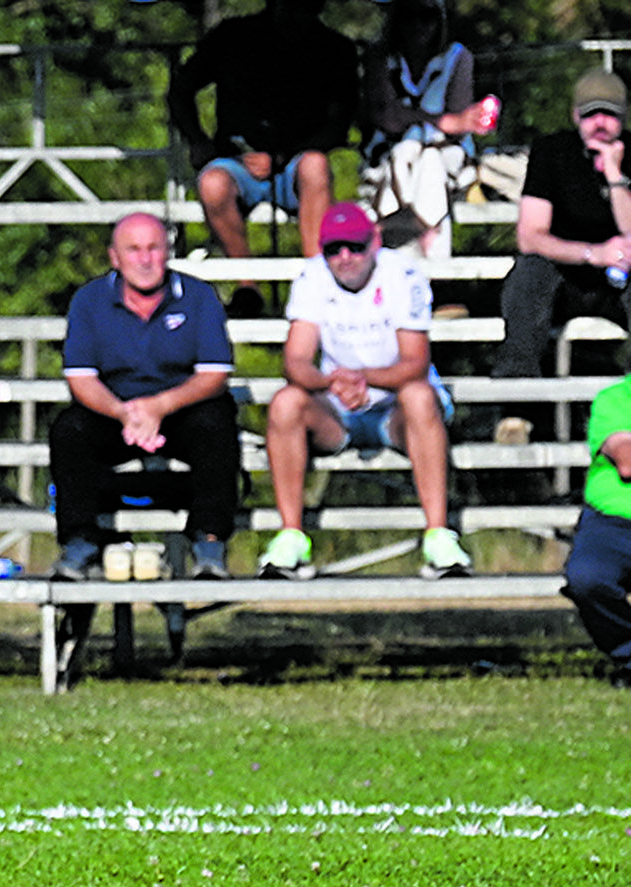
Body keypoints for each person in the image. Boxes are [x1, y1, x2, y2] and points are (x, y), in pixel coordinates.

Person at [258, 201, 471, 579]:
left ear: (374, 241)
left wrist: (361, 377)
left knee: (420, 396)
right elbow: (296, 361)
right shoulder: (311, 277)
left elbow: (414, 362)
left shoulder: (402, 274)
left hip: (396, 409)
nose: (344, 258)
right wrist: (333, 383)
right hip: (337, 407)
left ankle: (439, 536)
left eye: (355, 246)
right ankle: (291, 537)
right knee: (285, 403)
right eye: (333, 249)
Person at [48, 212, 239, 581]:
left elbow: (215, 374)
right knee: (69, 429)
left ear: (167, 252)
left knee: (217, 422)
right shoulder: (89, 300)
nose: (145, 258)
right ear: (114, 257)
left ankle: (209, 541)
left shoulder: (198, 296)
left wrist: (160, 406)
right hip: (116, 411)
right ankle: (80, 542)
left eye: (154, 247)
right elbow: (81, 379)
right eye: (133, 249)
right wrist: (123, 413)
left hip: (183, 408)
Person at [166, 0, 359, 314]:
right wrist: (198, 141)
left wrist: (283, 156)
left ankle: (316, 284)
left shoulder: (335, 48)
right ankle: (247, 287)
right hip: (235, 160)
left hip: (298, 161)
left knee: (315, 166)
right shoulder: (232, 36)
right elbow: (181, 89)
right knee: (212, 183)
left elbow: (340, 124)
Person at [489, 69, 631, 398]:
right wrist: (593, 254)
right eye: (591, 114)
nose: (600, 124)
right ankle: (516, 402)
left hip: (620, 281)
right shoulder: (552, 152)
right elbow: (530, 236)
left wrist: (614, 175)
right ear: (575, 116)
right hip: (565, 277)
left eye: (609, 115)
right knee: (530, 271)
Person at [358, 0, 498, 259]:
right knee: (407, 152)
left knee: (431, 161)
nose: (418, 26)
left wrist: (428, 121)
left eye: (427, 16)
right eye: (409, 17)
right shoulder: (380, 58)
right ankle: (423, 238)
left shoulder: (457, 57)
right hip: (389, 159)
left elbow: (460, 123)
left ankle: (414, 235)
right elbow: (386, 117)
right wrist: (441, 121)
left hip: (443, 161)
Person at [564, 374, 631, 687]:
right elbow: (627, 460)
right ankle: (629, 654)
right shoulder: (616, 397)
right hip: (613, 520)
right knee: (588, 578)